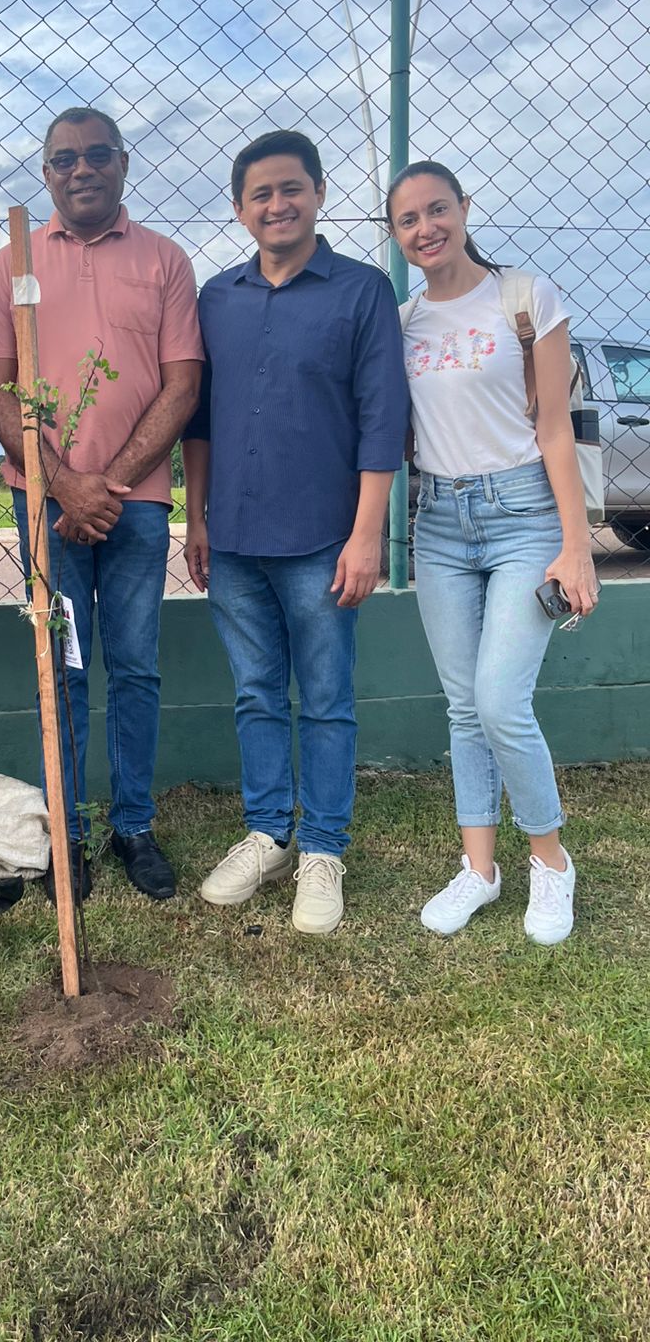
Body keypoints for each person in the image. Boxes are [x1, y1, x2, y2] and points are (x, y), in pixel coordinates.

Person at [183, 131, 408, 933]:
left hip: (323, 536)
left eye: (291, 189)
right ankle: (267, 830)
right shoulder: (216, 297)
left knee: (325, 698)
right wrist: (197, 517)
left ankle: (323, 847)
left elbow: (384, 419)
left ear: (317, 193)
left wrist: (366, 534)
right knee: (254, 694)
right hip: (235, 539)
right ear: (239, 209)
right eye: (260, 194)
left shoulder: (361, 291)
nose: (277, 205)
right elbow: (200, 422)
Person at [0, 107, 203, 901]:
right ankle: (68, 832)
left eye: (97, 155)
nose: (82, 170)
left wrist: (104, 484)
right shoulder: (13, 263)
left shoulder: (165, 261)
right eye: (65, 159)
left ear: (123, 163)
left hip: (135, 509)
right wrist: (60, 482)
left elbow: (183, 385)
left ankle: (132, 825)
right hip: (46, 506)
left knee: (135, 667)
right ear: (45, 174)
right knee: (63, 671)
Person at [387, 161, 599, 944]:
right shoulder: (405, 322)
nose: (426, 228)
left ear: (464, 209)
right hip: (439, 523)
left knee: (501, 699)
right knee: (464, 707)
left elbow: (553, 429)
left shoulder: (524, 298)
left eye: (437, 209)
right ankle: (480, 870)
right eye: (408, 220)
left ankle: (551, 861)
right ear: (396, 234)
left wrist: (576, 547)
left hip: (524, 517)